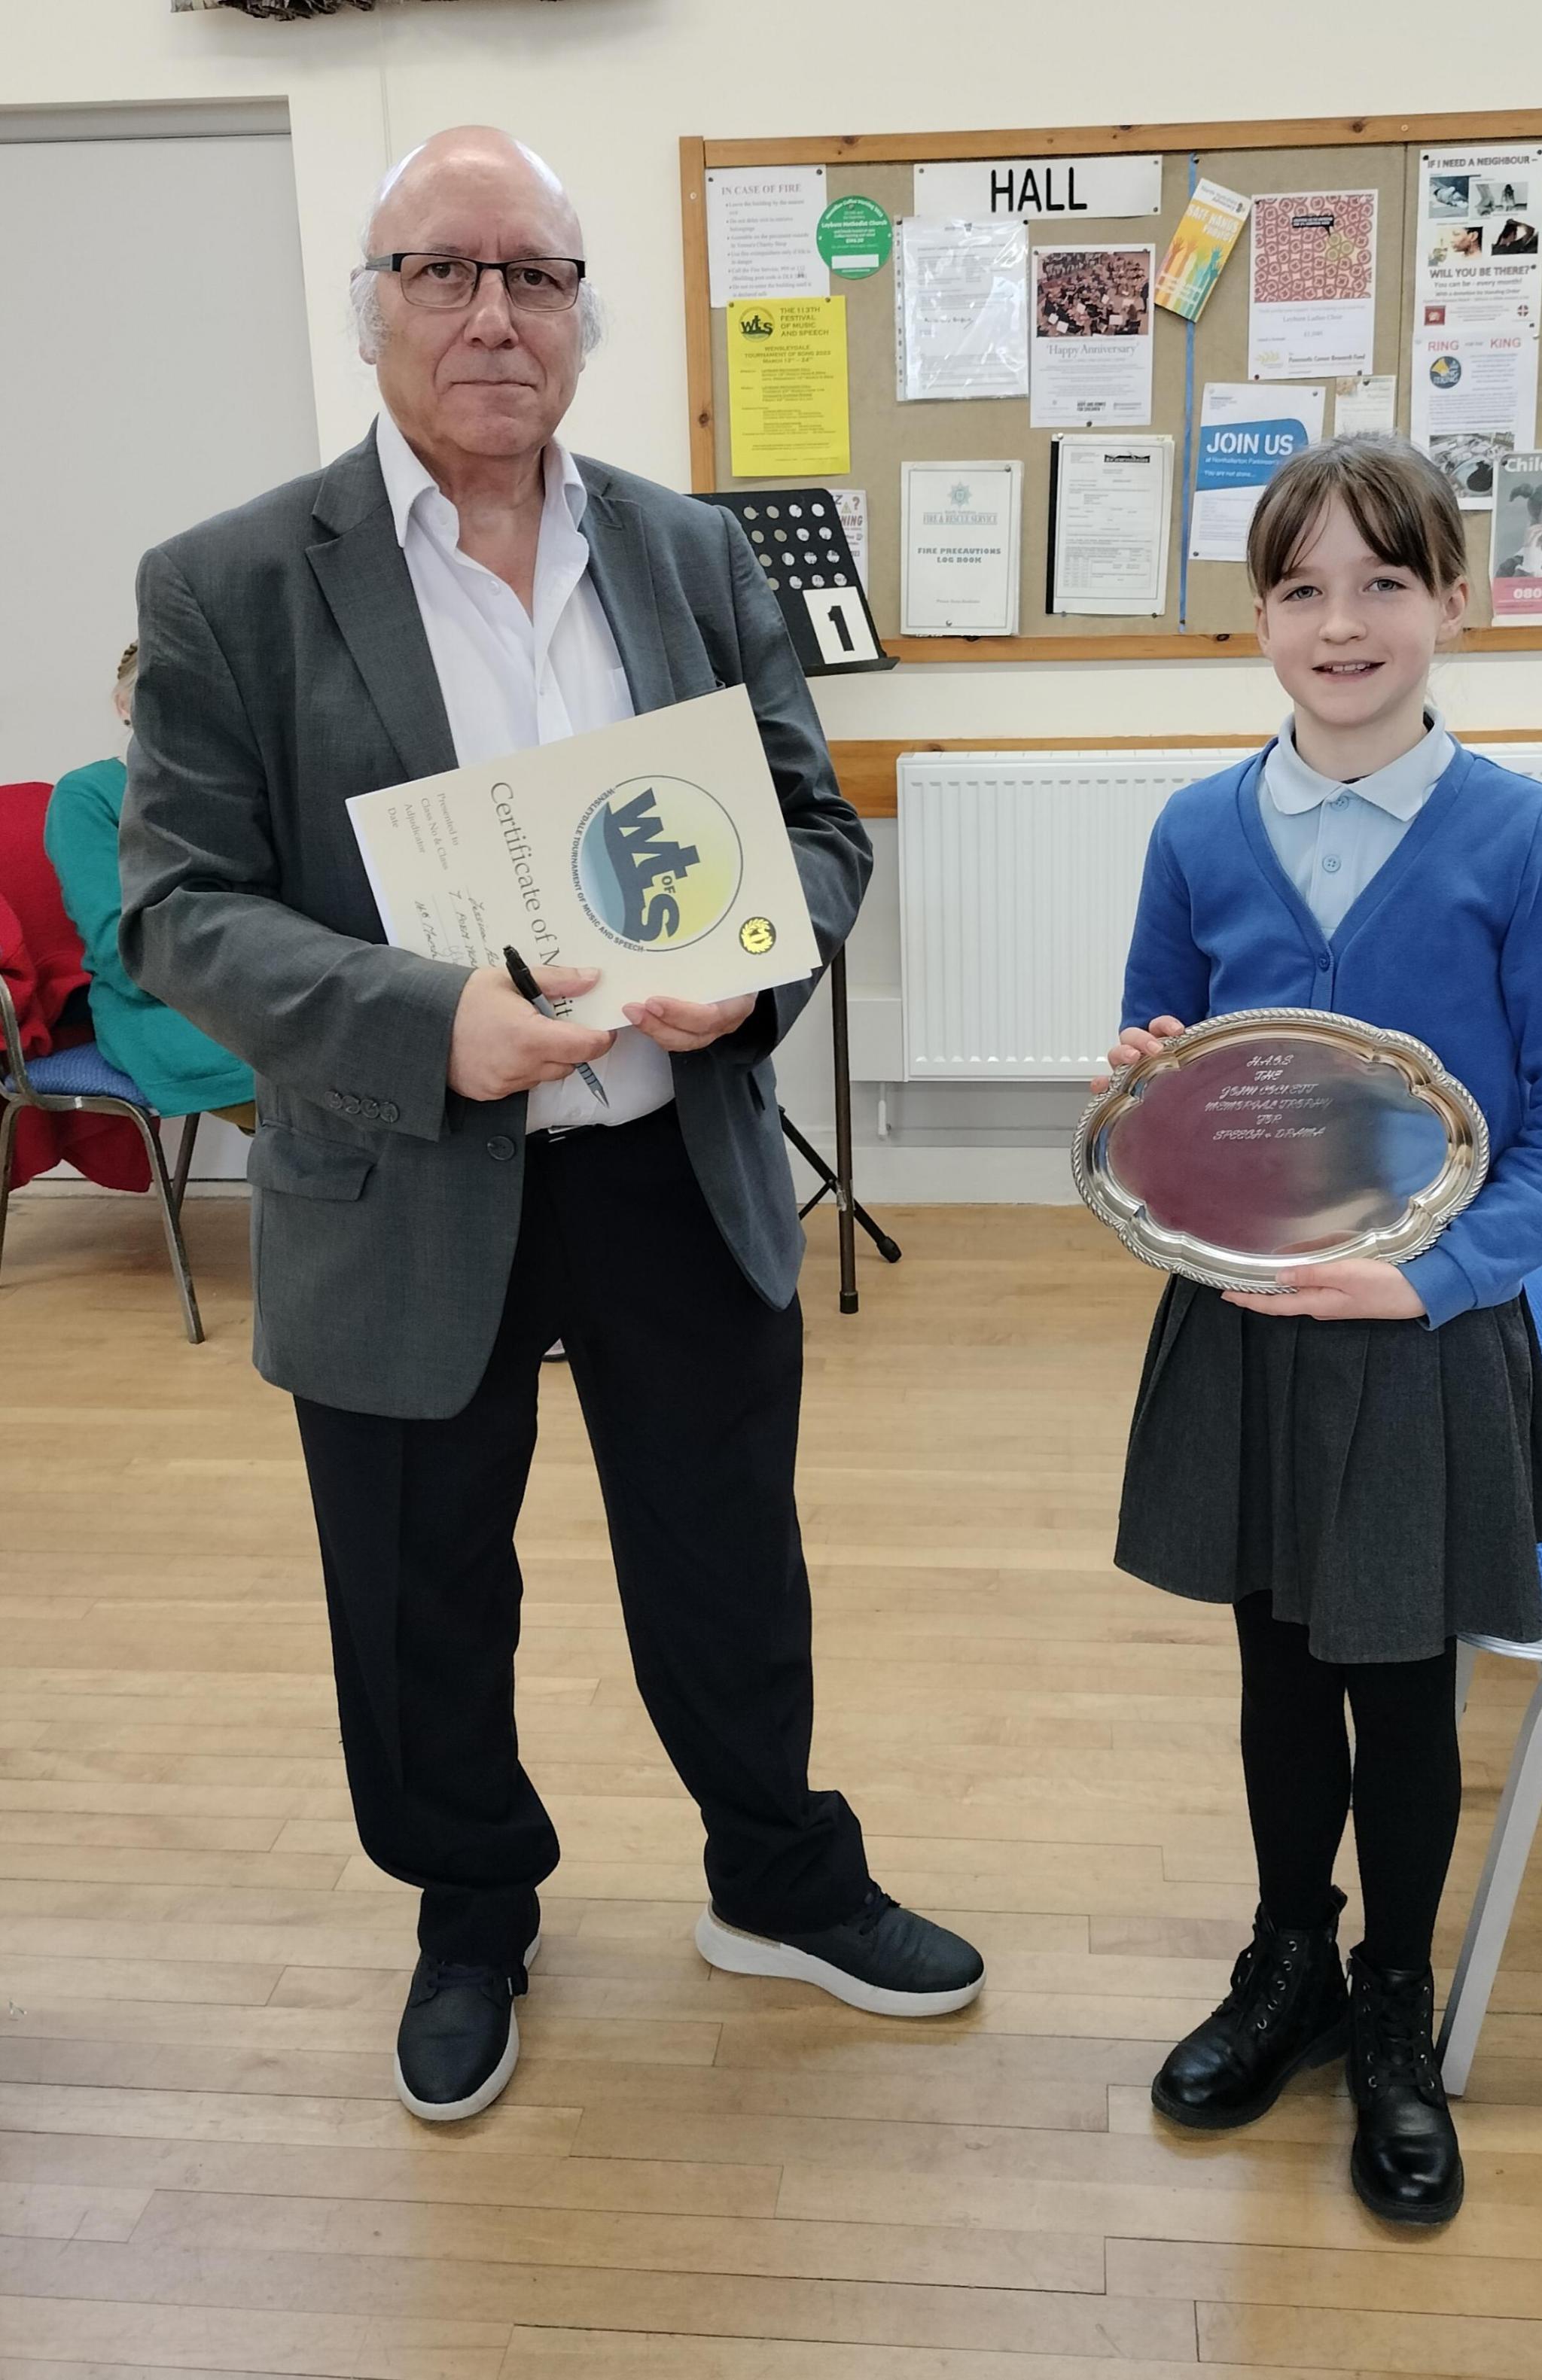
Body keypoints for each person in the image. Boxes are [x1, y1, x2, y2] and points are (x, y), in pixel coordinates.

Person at [119, 126, 983, 2126]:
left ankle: (776, 1874)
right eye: (443, 270)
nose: (491, 312)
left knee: (726, 1551)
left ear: (586, 315)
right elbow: (181, 906)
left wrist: (760, 975)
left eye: (532, 275)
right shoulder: (232, 582)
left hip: (666, 1146)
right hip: (405, 1167)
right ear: (376, 307)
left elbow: (815, 826)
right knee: (423, 1580)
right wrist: (436, 1026)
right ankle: (471, 1909)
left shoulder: (688, 554)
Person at [1102, 435, 1542, 2226]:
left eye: (1380, 583)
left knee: (1399, 1689)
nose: (1339, 623)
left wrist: (1432, 1272)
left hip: (1421, 1330)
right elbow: (1160, 1057)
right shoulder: (1194, 829)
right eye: (1298, 588)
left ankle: (1392, 1998)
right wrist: (1145, 1093)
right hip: (1247, 1323)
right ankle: (1288, 1959)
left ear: (1449, 602)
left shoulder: (1522, 838)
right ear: (1254, 615)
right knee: (1271, 1669)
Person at [44, 645, 254, 1131]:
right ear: (124, 706)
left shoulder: (239, 790)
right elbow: (122, 948)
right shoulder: (88, 794)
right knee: (340, 1076)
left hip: (268, 987)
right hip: (162, 1008)